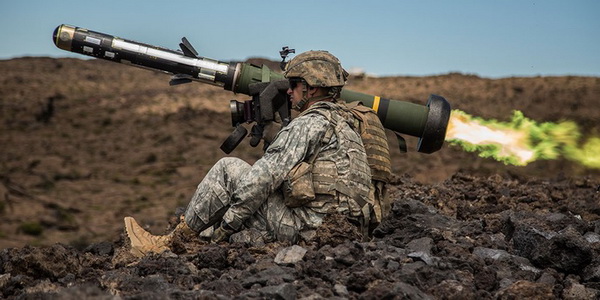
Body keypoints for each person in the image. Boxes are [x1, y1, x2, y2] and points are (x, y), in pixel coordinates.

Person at [124, 50, 389, 257]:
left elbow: (261, 179)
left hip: (310, 232)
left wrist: (228, 224)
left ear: (314, 89)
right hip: (345, 234)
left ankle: (168, 243)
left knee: (230, 170)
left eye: (295, 84)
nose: (289, 90)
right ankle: (201, 234)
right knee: (250, 202)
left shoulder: (310, 123)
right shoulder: (348, 123)